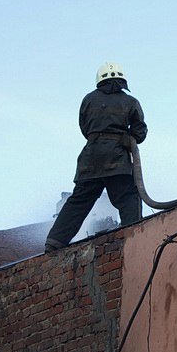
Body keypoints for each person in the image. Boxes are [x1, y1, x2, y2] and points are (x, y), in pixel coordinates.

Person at [44, 62, 148, 253]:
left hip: (89, 160)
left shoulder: (88, 100)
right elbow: (140, 133)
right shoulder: (130, 102)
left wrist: (99, 139)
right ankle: (134, 235)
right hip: (117, 161)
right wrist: (126, 138)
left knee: (79, 200)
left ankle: (55, 240)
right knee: (128, 197)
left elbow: (85, 128)